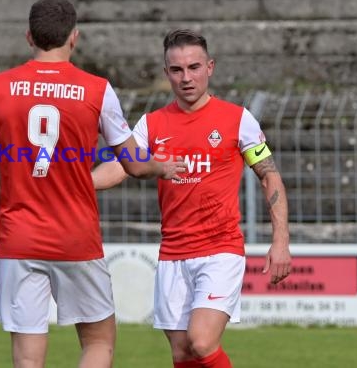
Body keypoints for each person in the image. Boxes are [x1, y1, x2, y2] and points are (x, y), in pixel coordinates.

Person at [0, 0, 186, 368]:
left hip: (18, 238)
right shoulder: (96, 89)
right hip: (75, 235)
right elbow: (134, 164)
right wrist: (162, 166)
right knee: (98, 342)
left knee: (27, 358)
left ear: (29, 36)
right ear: (74, 37)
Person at [92, 29, 292, 368]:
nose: (187, 78)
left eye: (194, 67)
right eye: (177, 70)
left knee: (201, 341)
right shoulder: (152, 123)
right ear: (166, 72)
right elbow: (123, 166)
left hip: (220, 250)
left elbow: (269, 174)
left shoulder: (237, 119)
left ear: (210, 67)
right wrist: (77, 183)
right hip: (173, 253)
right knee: (182, 353)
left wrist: (281, 240)